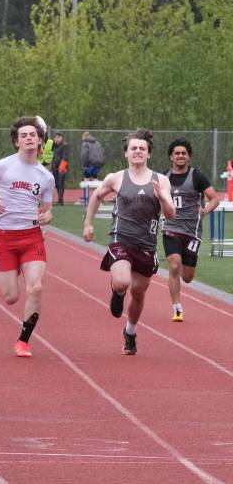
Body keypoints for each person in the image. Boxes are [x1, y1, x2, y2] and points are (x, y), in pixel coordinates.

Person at [84, 129, 175, 355]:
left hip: (146, 245)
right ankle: (117, 292)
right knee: (124, 282)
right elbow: (96, 196)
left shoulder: (161, 180)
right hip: (120, 239)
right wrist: (88, 223)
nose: (137, 152)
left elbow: (171, 214)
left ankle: (131, 331)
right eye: (133, 148)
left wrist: (163, 198)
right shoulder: (116, 178)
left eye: (142, 149)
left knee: (139, 292)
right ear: (126, 153)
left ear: (149, 154)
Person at [0, 117, 56, 357]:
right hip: (4, 237)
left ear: (40, 140)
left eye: (33, 135)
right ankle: (15, 268)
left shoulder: (46, 177)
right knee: (11, 297)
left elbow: (47, 210)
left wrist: (47, 217)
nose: (29, 138)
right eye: (24, 135)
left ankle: (23, 341)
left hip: (32, 237)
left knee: (36, 288)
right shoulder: (1, 166)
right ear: (16, 141)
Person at [161, 138, 221, 322]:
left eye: (183, 153)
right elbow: (157, 198)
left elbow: (214, 198)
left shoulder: (197, 177)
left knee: (187, 277)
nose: (180, 156)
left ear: (189, 157)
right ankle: (177, 308)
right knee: (173, 265)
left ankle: (180, 276)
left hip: (192, 232)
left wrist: (205, 210)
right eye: (177, 153)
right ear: (171, 156)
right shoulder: (165, 177)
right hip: (171, 228)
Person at [50, 132, 70, 206]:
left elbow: (65, 157)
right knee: (57, 184)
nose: (56, 139)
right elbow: (52, 156)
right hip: (55, 167)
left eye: (58, 137)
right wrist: (52, 167)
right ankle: (59, 200)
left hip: (62, 167)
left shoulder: (65, 145)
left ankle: (60, 200)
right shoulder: (54, 146)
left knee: (61, 183)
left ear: (61, 138)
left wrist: (61, 167)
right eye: (55, 137)